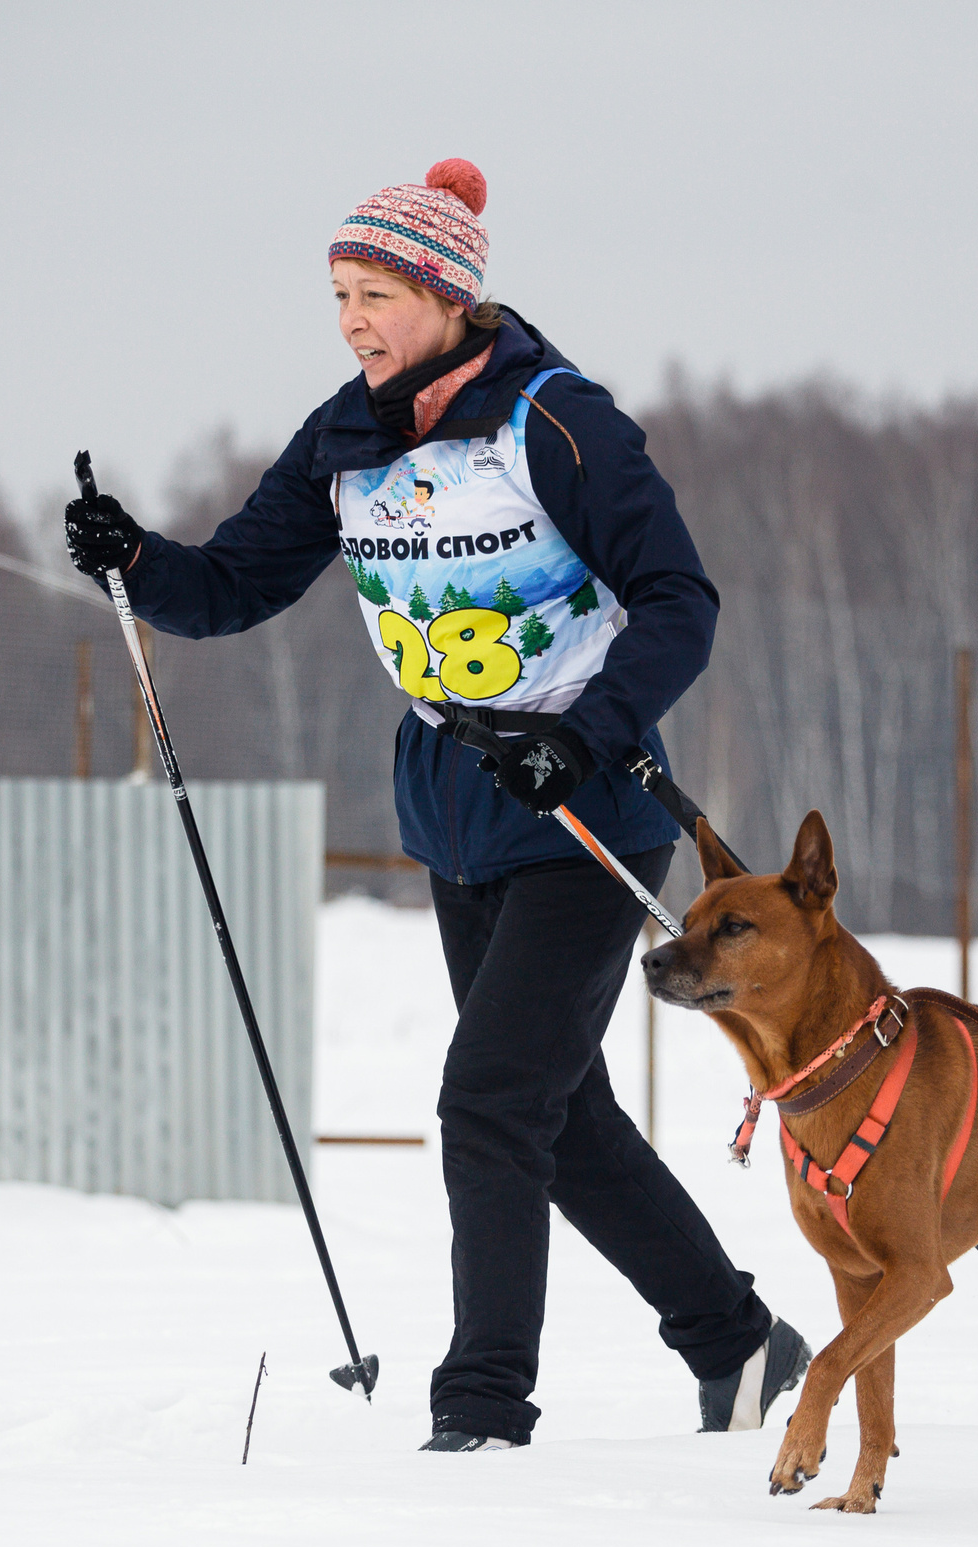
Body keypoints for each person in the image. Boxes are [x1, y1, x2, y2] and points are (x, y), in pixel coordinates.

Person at [63, 158, 807, 1451]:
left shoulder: (555, 422)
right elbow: (235, 586)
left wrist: (578, 741)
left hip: (580, 808)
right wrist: (136, 562)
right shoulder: (343, 438)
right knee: (558, 1114)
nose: (354, 321)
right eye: (339, 295)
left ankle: (480, 1413)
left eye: (378, 294)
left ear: (451, 296)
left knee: (490, 1100)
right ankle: (741, 1345)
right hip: (456, 808)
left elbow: (681, 601)